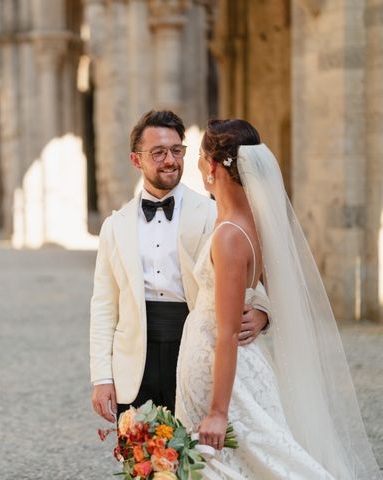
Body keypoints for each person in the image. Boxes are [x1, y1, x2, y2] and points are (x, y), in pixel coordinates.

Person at [174, 119, 381, 478]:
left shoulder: (229, 235)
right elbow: (277, 289)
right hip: (234, 361)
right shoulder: (252, 221)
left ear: (212, 166)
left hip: (221, 369)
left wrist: (219, 412)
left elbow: (226, 332)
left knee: (249, 462)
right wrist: (263, 313)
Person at [89, 110, 270, 424]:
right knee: (143, 462)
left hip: (197, 348)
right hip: (135, 357)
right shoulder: (114, 226)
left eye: (176, 150)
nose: (170, 160)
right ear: (136, 160)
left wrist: (264, 312)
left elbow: (250, 270)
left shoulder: (214, 213)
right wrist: (102, 377)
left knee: (196, 459)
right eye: (158, 153)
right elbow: (104, 305)